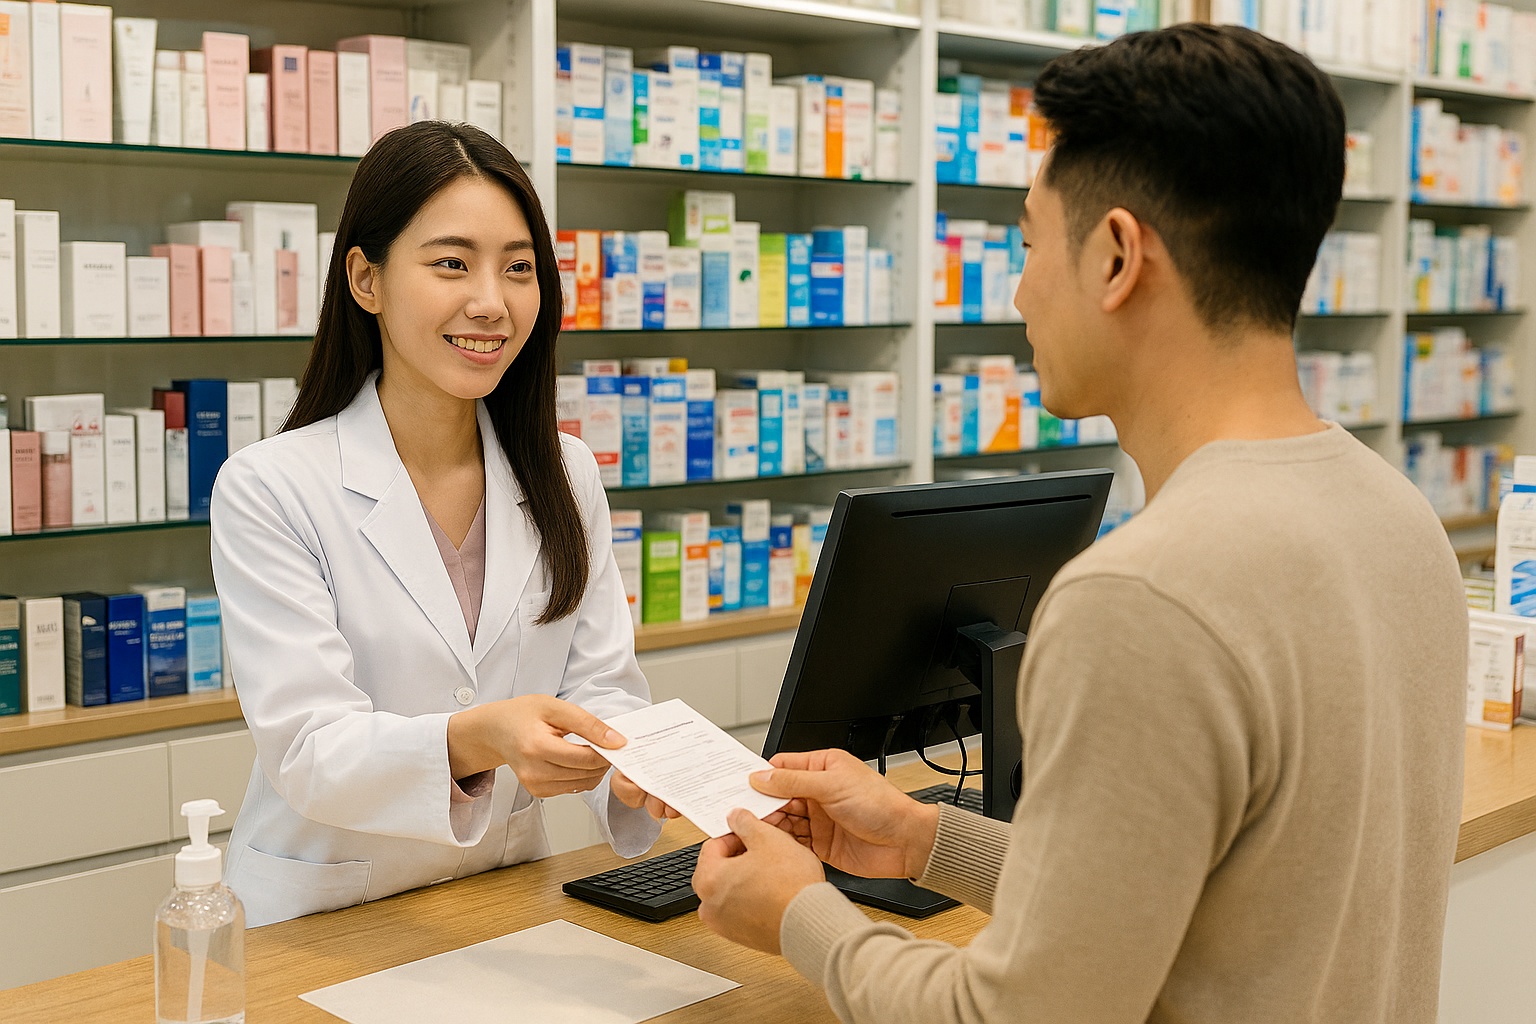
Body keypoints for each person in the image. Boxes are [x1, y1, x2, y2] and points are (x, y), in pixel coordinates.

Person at [662, 24, 1467, 1024]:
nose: (1019, 288)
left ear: (1118, 256)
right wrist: (926, 836)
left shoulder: (1142, 595)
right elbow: (1224, 895)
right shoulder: (1396, 514)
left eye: (1030, 242)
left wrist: (801, 915)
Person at [211, 121, 661, 927]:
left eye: (518, 268)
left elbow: (600, 687)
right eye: (452, 263)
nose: (491, 303)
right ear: (366, 279)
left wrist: (641, 771)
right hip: (323, 918)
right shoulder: (271, 486)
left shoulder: (564, 473)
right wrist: (481, 736)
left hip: (503, 895)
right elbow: (310, 747)